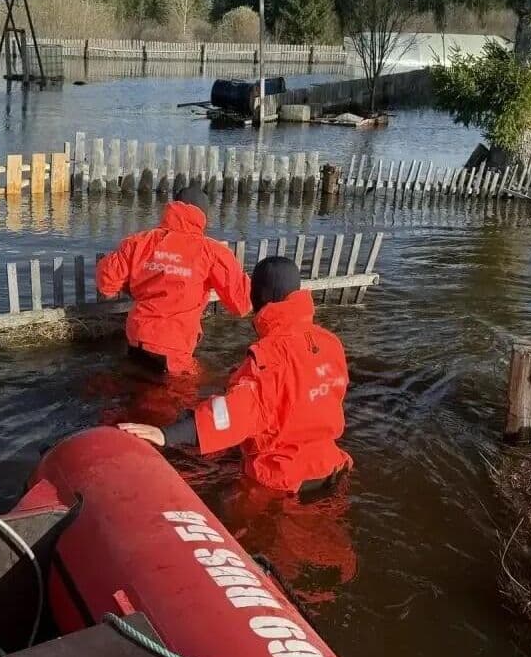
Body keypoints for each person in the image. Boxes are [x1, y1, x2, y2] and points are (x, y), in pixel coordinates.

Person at [118, 256, 352, 493]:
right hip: (331, 465)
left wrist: (167, 435)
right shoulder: (330, 342)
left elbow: (231, 415)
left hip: (282, 477)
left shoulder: (268, 356)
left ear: (258, 298)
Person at [96, 183, 252, 375]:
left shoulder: (139, 242)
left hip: (137, 335)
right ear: (203, 216)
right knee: (186, 393)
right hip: (174, 345)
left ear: (173, 207)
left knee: (135, 384)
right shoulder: (213, 252)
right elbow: (242, 304)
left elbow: (106, 283)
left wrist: (135, 283)